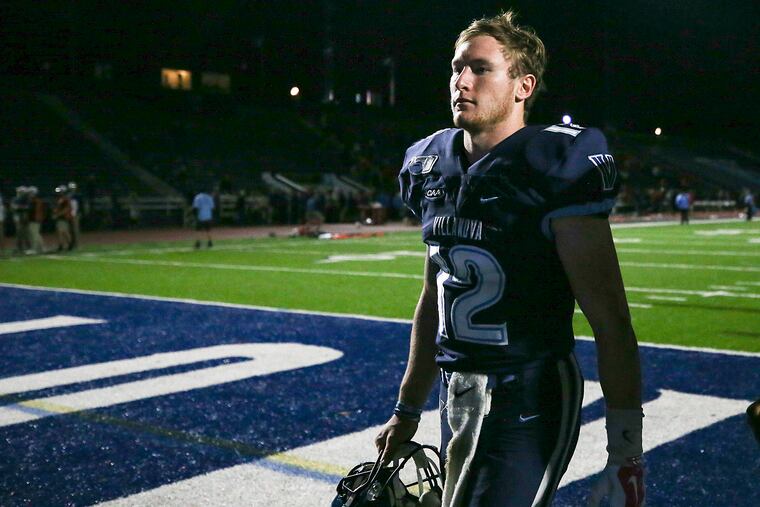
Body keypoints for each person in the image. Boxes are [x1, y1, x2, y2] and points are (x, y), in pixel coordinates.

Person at [374, 11, 645, 507]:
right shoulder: (429, 162)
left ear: (523, 86)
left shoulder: (555, 162)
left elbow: (611, 322)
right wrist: (406, 408)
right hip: (455, 392)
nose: (461, 81)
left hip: (529, 392)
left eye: (480, 68)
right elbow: (433, 301)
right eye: (457, 67)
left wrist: (626, 452)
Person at [52, 185, 72, 251]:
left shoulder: (65, 199)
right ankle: (67, 244)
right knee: (63, 231)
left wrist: (58, 214)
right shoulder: (60, 199)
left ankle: (63, 245)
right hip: (61, 217)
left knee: (62, 232)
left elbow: (67, 208)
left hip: (63, 217)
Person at [27, 186, 46, 254]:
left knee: (35, 235)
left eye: (30, 193)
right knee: (36, 234)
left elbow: (37, 211)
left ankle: (34, 249)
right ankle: (42, 248)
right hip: (33, 219)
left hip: (35, 220)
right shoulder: (33, 201)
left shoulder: (36, 201)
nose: (29, 194)